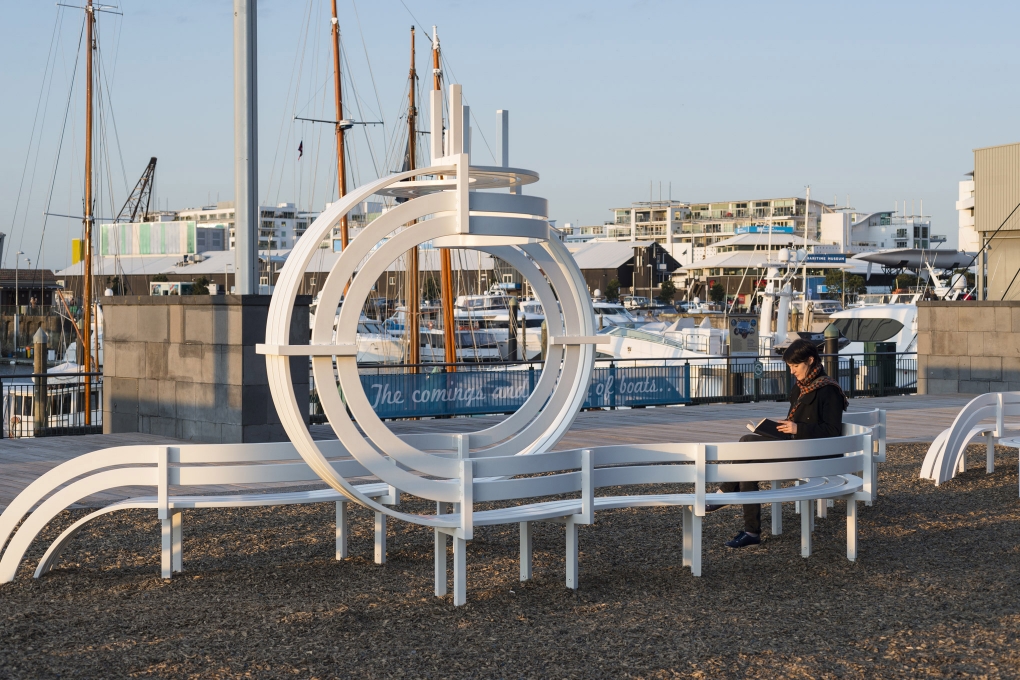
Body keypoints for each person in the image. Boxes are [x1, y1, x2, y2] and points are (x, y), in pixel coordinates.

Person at [708, 338, 849, 548]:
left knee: (747, 444)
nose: (791, 371)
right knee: (749, 461)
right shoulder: (802, 387)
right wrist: (786, 426)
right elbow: (801, 421)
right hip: (797, 446)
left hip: (814, 454)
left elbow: (833, 431)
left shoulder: (828, 389)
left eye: (795, 366)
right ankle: (751, 532)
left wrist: (797, 428)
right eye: (789, 366)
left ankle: (724, 494)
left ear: (810, 360)